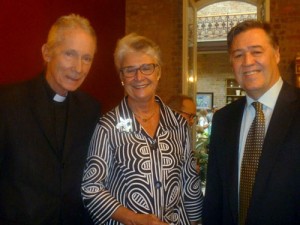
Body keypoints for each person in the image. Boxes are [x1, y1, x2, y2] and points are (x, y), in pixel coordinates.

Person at [81, 33, 203, 225]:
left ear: (158, 72)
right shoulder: (108, 127)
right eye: (130, 70)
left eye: (146, 68)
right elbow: (91, 187)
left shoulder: (178, 125)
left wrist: (195, 222)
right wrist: (134, 219)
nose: (139, 77)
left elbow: (189, 181)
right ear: (122, 77)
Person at [0, 14, 100, 225]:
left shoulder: (91, 109)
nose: (79, 68)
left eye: (87, 58)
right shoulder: (8, 103)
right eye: (70, 54)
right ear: (47, 52)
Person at [203, 20, 300, 225]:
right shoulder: (223, 120)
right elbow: (215, 197)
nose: (247, 62)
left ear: (276, 54)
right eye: (238, 55)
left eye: (256, 52)